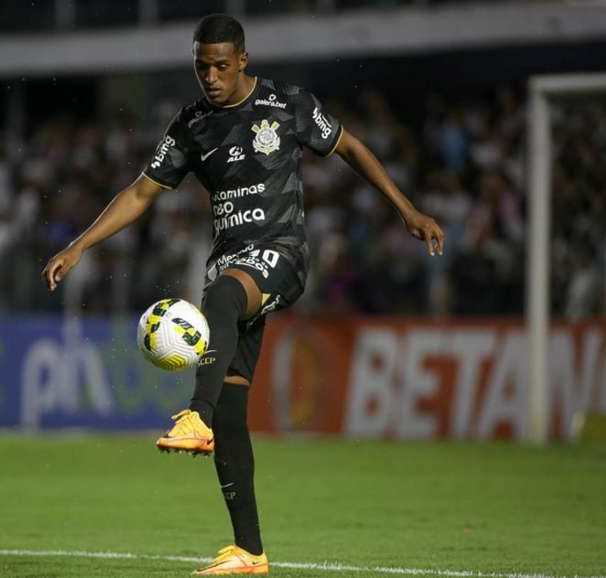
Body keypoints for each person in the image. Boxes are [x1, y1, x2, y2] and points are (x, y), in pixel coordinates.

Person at [42, 14, 445, 576]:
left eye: (221, 66)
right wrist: (81, 244)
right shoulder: (191, 126)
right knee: (235, 406)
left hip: (282, 254)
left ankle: (195, 416)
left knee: (222, 301)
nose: (210, 76)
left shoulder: (287, 105)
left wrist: (407, 209)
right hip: (232, 262)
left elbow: (349, 147)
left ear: (243, 61)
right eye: (201, 65)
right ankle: (250, 551)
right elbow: (140, 193)